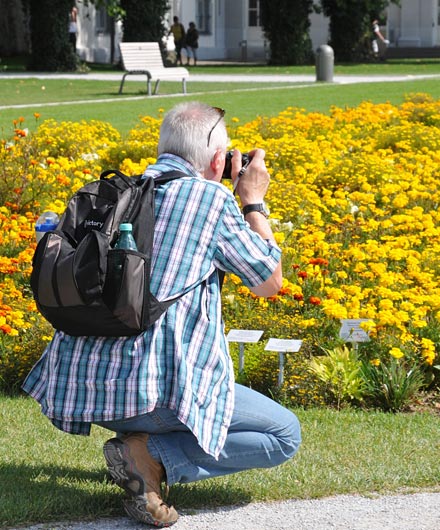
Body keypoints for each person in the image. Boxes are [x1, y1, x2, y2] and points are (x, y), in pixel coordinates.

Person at [22, 101, 301, 528]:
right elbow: (269, 282)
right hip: (152, 398)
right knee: (283, 435)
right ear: (218, 160)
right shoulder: (209, 200)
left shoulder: (116, 192)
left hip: (78, 393)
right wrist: (253, 201)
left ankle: (138, 448)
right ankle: (152, 455)